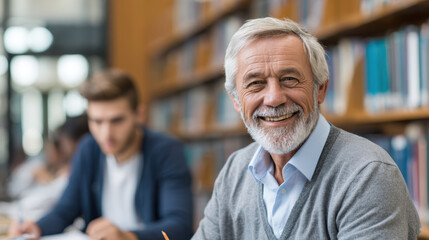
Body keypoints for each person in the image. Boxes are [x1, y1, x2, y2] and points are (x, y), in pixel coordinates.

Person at [192, 17, 420, 239]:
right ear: (235, 101)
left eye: (289, 79)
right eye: (255, 84)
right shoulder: (234, 171)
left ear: (320, 89)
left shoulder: (367, 175)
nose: (273, 98)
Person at [9, 69, 193, 240]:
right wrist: (37, 228)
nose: (106, 134)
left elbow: (179, 226)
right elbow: (65, 210)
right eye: (97, 121)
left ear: (139, 115)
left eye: (117, 120)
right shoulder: (89, 148)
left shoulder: (166, 151)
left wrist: (127, 236)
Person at [2, 115, 89, 221]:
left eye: (66, 143)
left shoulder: (72, 169)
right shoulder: (52, 168)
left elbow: (58, 202)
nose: (66, 148)